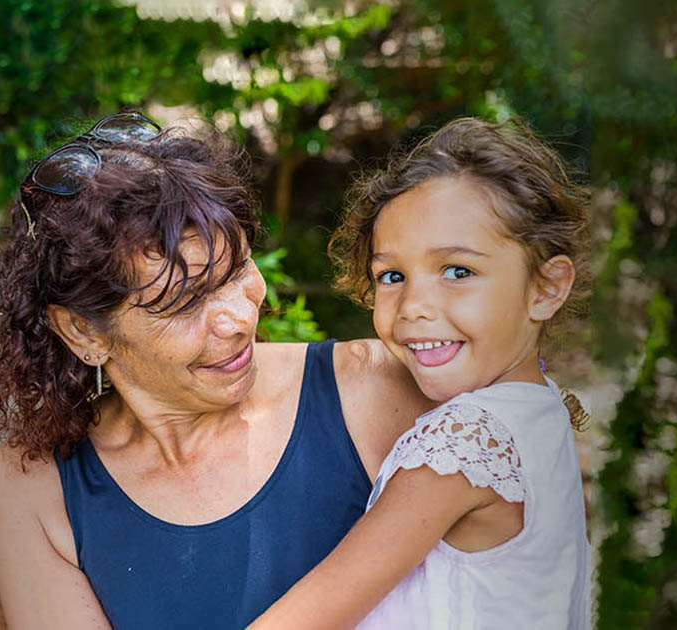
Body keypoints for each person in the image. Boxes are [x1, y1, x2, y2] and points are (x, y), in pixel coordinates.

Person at [0, 112, 434, 630]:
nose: (239, 319)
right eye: (185, 303)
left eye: (238, 268)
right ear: (85, 333)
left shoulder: (376, 389)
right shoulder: (35, 488)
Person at [247, 117, 593, 629]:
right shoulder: (540, 411)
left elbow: (307, 619)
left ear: (545, 287)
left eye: (458, 271)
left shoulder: (464, 443)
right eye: (392, 276)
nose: (412, 306)